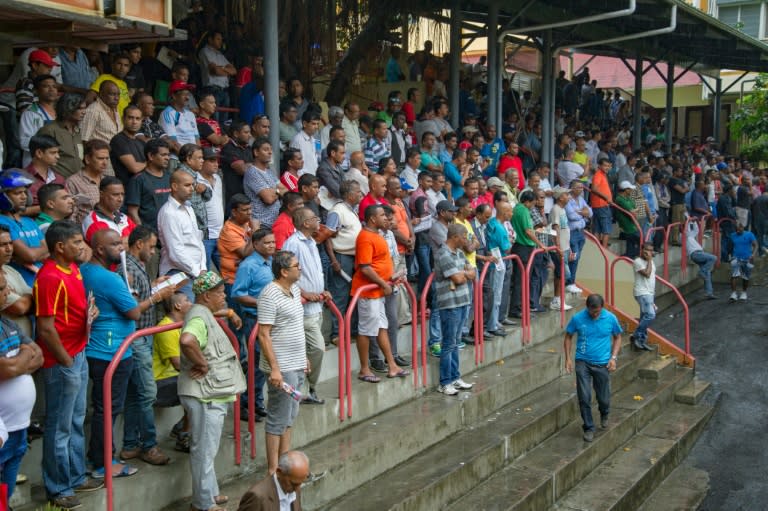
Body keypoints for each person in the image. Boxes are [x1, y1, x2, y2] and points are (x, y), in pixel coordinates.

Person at [81, 229, 174, 478]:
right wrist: (156, 298)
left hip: (103, 347)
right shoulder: (108, 278)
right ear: (99, 249)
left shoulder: (87, 271)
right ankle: (103, 464)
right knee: (108, 410)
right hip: (113, 350)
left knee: (108, 408)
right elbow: (133, 312)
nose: (121, 249)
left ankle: (105, 456)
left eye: (120, 244)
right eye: (115, 245)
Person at [35, 221, 102, 510]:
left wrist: (91, 313)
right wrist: (64, 359)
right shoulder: (49, 278)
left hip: (79, 352)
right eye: (76, 242)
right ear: (60, 247)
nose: (81, 246)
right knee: (59, 426)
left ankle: (75, 476)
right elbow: (46, 328)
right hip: (63, 360)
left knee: (75, 420)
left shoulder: (72, 268)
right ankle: (58, 487)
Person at [178, 271, 245, 511]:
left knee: (207, 448)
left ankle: (211, 493)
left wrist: (228, 311)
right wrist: (202, 363)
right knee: (204, 450)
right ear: (206, 295)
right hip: (204, 394)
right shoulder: (198, 316)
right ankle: (203, 504)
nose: (224, 295)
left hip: (209, 393)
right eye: (219, 293)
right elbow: (187, 340)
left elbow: (201, 317)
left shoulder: (203, 312)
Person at [117, 226, 174, 466]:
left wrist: (154, 284)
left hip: (143, 336)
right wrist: (156, 297)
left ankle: (130, 444)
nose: (153, 252)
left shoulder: (137, 264)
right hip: (137, 336)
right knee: (147, 392)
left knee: (135, 393)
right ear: (138, 244)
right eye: (151, 246)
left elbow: (140, 291)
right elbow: (132, 305)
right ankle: (148, 445)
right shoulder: (127, 267)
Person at [257, 251, 308, 475]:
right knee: (278, 417)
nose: (300, 269)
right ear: (284, 271)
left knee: (290, 416)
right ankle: (272, 469)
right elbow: (263, 334)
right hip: (282, 367)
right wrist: (275, 369)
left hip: (296, 363)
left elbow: (296, 326)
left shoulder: (295, 290)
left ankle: (285, 465)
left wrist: (304, 357)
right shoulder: (269, 294)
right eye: (296, 266)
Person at [351, 204, 409, 382]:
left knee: (382, 327)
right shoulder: (365, 237)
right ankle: (364, 369)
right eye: (383, 215)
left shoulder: (378, 235)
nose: (387, 218)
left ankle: (391, 365)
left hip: (379, 291)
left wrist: (391, 276)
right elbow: (365, 267)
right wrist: (383, 283)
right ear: (372, 219)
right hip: (369, 293)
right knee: (366, 330)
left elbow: (379, 263)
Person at [0, 270, 43, 501]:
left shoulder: (7, 323)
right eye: (1, 289)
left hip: (19, 428)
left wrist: (18, 361)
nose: (8, 293)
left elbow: (39, 356)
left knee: (4, 493)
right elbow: (8, 370)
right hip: (2, 430)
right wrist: (22, 358)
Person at [281, 208, 328, 405]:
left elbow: (313, 272)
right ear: (306, 223)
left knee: (312, 349)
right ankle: (307, 387)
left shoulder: (311, 242)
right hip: (303, 307)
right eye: (314, 218)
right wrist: (303, 293)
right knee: (317, 348)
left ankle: (308, 388)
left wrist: (322, 291)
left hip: (317, 305)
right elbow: (286, 275)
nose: (318, 221)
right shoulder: (293, 243)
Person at [563, 294, 622, 442]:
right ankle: (589, 427)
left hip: (602, 364)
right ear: (587, 308)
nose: (594, 314)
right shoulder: (578, 318)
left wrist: (613, 358)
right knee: (584, 396)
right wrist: (568, 358)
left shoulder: (610, 318)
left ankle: (604, 412)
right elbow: (568, 336)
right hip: (582, 362)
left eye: (597, 311)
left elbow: (618, 337)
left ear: (602, 308)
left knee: (604, 398)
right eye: (592, 311)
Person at [231, 228, 276, 421]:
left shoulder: (272, 262)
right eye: (267, 243)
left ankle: (256, 403)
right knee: (256, 364)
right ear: (255, 244)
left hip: (271, 319)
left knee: (264, 364)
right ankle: (245, 405)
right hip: (254, 319)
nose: (272, 246)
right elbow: (237, 294)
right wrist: (261, 302)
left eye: (273, 242)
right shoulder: (248, 266)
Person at [433, 223, 476, 396]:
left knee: (456, 342)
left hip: (463, 301)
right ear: (455, 237)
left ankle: (455, 377)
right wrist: (464, 274)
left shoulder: (458, 252)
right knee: (449, 344)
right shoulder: (443, 253)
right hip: (450, 304)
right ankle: (445, 382)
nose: (466, 240)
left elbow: (472, 272)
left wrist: (464, 274)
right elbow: (458, 278)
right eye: (464, 237)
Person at [152, 291, 193, 452]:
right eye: (187, 300)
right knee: (198, 385)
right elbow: (178, 364)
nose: (191, 303)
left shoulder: (183, 324)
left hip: (174, 377)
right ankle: (184, 435)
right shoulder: (166, 327)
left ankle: (182, 428)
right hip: (160, 382)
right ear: (178, 306)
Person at [158, 169, 207, 300]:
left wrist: (202, 268)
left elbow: (198, 240)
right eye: (187, 185)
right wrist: (198, 271)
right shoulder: (169, 213)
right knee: (187, 313)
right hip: (178, 273)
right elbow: (175, 252)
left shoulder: (189, 208)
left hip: (195, 272)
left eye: (192, 185)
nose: (192, 188)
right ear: (174, 186)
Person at [325, 181, 362, 345]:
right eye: (358, 192)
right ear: (349, 194)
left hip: (353, 257)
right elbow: (327, 236)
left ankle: (350, 331)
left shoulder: (351, 210)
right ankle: (336, 334)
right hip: (342, 257)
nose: (360, 195)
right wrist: (333, 260)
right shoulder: (337, 211)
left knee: (353, 294)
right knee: (340, 295)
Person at [0, 170, 48, 286]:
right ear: (4, 196)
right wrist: (38, 253)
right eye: (17, 193)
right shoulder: (2, 222)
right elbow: (29, 255)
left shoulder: (29, 222)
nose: (24, 197)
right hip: (22, 283)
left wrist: (34, 254)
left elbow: (49, 251)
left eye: (25, 192)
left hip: (42, 279)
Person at [125, 138, 172, 232]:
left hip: (171, 232)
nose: (167, 158)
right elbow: (132, 212)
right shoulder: (138, 180)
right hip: (151, 236)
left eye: (168, 155)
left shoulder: (170, 177)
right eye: (163, 155)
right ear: (150, 156)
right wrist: (144, 236)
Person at [237, 450, 308, 511]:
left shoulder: (295, 487)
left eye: (300, 483)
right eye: (293, 484)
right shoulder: (257, 497)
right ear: (279, 472)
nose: (297, 489)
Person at [36, 92, 86, 178]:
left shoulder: (77, 130)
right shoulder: (50, 130)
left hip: (78, 182)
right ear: (67, 109)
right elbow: (40, 159)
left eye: (84, 108)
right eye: (79, 109)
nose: (84, 112)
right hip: (57, 184)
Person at [81, 176, 136, 245]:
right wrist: (133, 241)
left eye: (122, 194)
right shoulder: (94, 222)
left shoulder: (122, 216)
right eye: (115, 195)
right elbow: (111, 249)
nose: (120, 199)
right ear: (101, 194)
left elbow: (140, 238)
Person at [66, 139, 110, 225]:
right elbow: (71, 215)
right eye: (100, 158)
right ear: (87, 159)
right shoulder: (73, 182)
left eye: (107, 158)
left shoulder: (107, 180)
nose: (105, 163)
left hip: (111, 229)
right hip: (87, 232)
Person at [0, 225, 33, 336]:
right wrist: (27, 297)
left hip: (25, 340)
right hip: (8, 345)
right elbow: (21, 307)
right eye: (3, 245)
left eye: (10, 243)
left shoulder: (9, 269)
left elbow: (37, 297)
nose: (9, 249)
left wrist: (25, 298)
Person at [20, 74, 59, 168]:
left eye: (54, 86)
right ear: (36, 91)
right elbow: (24, 142)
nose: (51, 89)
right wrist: (47, 148)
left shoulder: (61, 112)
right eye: (46, 86)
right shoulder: (30, 113)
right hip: (37, 164)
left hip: (57, 163)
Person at [81, 81, 123, 167]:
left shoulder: (115, 110)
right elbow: (84, 140)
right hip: (99, 162)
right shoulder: (93, 110)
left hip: (116, 160)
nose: (116, 98)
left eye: (118, 94)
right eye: (112, 94)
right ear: (101, 94)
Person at [198, 31, 236, 123]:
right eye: (218, 39)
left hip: (224, 90)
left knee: (224, 121)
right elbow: (215, 71)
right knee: (215, 119)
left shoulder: (220, 54)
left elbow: (234, 71)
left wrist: (221, 68)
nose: (221, 42)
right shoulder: (205, 51)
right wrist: (225, 69)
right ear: (210, 40)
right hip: (212, 90)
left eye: (221, 40)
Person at [24, 134, 65, 215]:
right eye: (53, 153)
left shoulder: (59, 179)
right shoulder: (22, 178)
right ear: (39, 153)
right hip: (30, 225)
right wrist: (46, 207)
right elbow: (14, 211)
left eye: (58, 152)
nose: (58, 156)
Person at [245, 137, 280, 228]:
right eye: (266, 150)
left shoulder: (269, 171)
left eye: (271, 150)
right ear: (256, 152)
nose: (270, 152)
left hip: (274, 223)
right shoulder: (252, 172)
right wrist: (278, 191)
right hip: (261, 224)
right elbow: (268, 199)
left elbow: (285, 189)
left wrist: (274, 191)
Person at [199, 147, 225, 268]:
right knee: (204, 275)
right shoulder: (195, 180)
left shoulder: (218, 178)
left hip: (220, 234)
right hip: (205, 236)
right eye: (212, 160)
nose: (216, 164)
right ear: (202, 161)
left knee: (227, 273)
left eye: (217, 161)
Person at [110, 105, 146, 187]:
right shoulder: (118, 140)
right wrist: (150, 163)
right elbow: (134, 168)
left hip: (142, 188)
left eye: (138, 118)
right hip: (127, 190)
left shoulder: (141, 142)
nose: (134, 122)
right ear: (123, 119)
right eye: (130, 118)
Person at [159, 80, 200, 149]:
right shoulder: (167, 114)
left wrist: (198, 156)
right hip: (178, 157)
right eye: (184, 95)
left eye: (188, 94)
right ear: (174, 96)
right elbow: (173, 143)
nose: (188, 98)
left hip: (193, 156)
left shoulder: (190, 114)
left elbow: (197, 139)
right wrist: (187, 158)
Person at [220, 121, 253, 205]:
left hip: (247, 194)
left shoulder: (249, 149)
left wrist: (249, 165)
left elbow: (263, 167)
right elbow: (243, 169)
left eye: (249, 132)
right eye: (246, 132)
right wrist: (254, 165)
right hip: (234, 197)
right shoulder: (228, 148)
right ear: (236, 134)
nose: (249, 135)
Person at [631, 243, 656, 351]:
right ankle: (636, 335)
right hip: (642, 293)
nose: (648, 252)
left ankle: (641, 341)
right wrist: (650, 260)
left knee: (644, 317)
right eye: (647, 250)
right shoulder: (638, 262)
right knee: (650, 315)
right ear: (642, 250)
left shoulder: (650, 261)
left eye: (651, 250)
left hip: (649, 293)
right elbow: (647, 274)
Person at [686, 220, 717, 300]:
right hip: (696, 254)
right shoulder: (686, 236)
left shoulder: (691, 236)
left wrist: (694, 222)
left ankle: (709, 293)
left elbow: (696, 230)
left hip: (699, 253)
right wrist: (689, 221)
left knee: (708, 273)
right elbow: (687, 229)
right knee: (713, 258)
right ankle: (701, 271)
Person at [728, 221, 757, 302]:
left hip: (747, 258)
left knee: (745, 276)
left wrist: (753, 254)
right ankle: (733, 293)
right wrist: (730, 256)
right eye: (736, 230)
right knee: (734, 275)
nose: (737, 231)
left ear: (742, 227)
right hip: (735, 258)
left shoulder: (749, 234)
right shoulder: (732, 235)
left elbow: (755, 245)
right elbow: (730, 247)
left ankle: (744, 292)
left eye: (739, 230)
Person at [590, 157, 613, 247]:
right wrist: (606, 197)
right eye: (605, 165)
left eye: (608, 166)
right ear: (599, 166)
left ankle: (598, 248)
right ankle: (604, 249)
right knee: (606, 230)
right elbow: (594, 188)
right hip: (602, 205)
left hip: (599, 205)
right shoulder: (598, 175)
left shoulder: (602, 174)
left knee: (597, 229)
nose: (607, 167)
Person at [289, 110, 321, 176]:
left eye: (317, 124)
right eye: (313, 124)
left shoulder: (314, 140)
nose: (316, 127)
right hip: (303, 181)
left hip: (313, 179)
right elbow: (295, 165)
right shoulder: (297, 140)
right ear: (304, 124)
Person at [615, 180, 640, 259]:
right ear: (626, 190)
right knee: (639, 241)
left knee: (632, 243)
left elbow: (635, 208)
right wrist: (634, 210)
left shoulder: (627, 198)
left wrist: (634, 210)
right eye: (630, 189)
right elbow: (632, 210)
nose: (632, 190)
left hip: (632, 223)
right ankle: (628, 256)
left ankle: (629, 255)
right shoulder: (619, 199)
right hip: (627, 224)